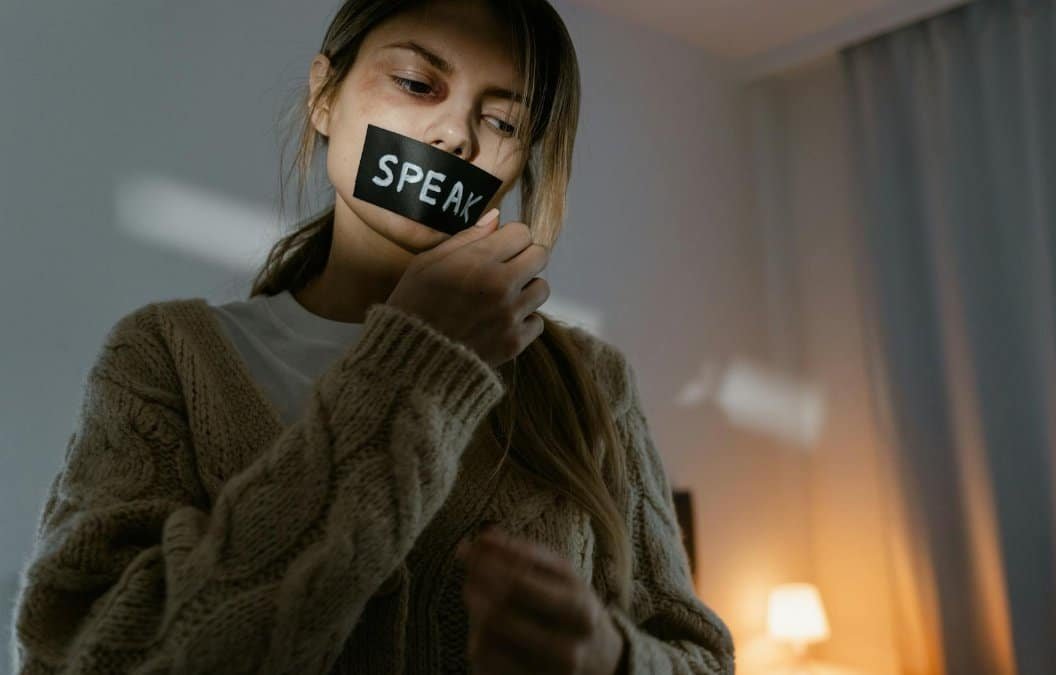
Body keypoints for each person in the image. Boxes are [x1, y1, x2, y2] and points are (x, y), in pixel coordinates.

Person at [10, 1, 736, 673]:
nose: (455, 135)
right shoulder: (166, 355)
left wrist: (610, 657)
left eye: (505, 123)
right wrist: (420, 357)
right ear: (325, 94)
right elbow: (82, 654)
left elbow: (698, 655)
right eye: (419, 84)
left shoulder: (592, 380)